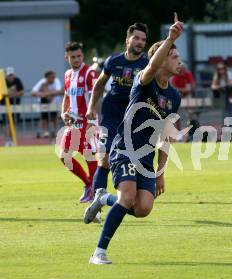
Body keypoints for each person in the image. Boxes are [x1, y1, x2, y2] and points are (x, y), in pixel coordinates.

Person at [87, 14, 183, 264]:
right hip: (125, 148)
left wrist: (161, 171)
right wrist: (170, 38)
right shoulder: (144, 80)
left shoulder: (174, 96)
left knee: (142, 209)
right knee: (128, 198)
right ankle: (99, 252)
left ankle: (104, 198)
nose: (179, 62)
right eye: (174, 57)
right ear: (161, 60)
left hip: (146, 158)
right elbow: (151, 66)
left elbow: (166, 135)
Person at [85, 23, 149, 212]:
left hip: (133, 121)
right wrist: (91, 107)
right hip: (111, 117)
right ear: (127, 39)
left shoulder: (147, 64)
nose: (139, 42)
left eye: (143, 40)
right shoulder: (113, 61)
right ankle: (95, 203)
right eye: (136, 38)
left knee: (133, 161)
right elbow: (99, 85)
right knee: (103, 159)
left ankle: (123, 197)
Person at [59, 42, 98, 203]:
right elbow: (67, 96)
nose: (76, 59)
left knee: (89, 156)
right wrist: (63, 112)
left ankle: (96, 191)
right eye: (73, 57)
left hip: (87, 122)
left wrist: (92, 122)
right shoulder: (68, 74)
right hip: (73, 122)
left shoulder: (89, 73)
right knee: (64, 156)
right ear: (66, 57)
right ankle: (89, 184)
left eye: (79, 56)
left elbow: (95, 97)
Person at [31, 70, 64, 138]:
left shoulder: (56, 81)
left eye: (54, 77)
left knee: (53, 117)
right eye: (51, 77)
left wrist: (46, 94)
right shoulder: (43, 82)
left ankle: (54, 131)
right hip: (44, 102)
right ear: (47, 78)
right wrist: (43, 94)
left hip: (54, 102)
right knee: (44, 117)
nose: (53, 79)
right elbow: (33, 92)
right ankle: (46, 132)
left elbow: (59, 91)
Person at [211, 61, 232, 132]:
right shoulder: (217, 76)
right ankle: (226, 129)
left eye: (222, 68)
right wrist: (219, 87)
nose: (221, 70)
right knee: (224, 113)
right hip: (223, 95)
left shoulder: (229, 74)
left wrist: (225, 85)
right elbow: (213, 86)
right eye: (219, 69)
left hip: (230, 95)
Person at [2, 67, 24, 145]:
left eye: (12, 75)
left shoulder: (17, 81)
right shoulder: (2, 81)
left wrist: (11, 95)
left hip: (15, 106)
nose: (10, 77)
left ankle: (12, 139)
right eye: (9, 75)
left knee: (14, 123)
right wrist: (9, 95)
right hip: (5, 106)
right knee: (6, 123)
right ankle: (7, 140)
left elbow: (21, 92)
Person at [171, 63, 196, 132]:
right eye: (180, 70)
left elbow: (193, 84)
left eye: (183, 70)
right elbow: (174, 87)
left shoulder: (188, 74)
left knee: (190, 112)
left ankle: (191, 129)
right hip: (178, 96)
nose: (182, 71)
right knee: (176, 114)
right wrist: (182, 90)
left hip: (187, 95)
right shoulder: (176, 76)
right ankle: (178, 130)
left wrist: (190, 89)